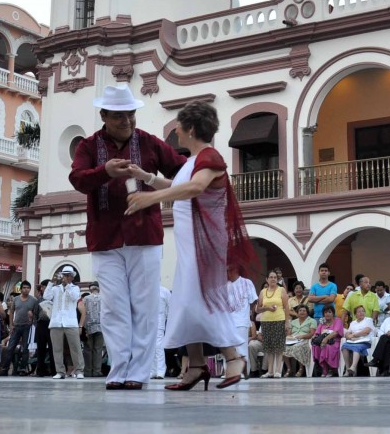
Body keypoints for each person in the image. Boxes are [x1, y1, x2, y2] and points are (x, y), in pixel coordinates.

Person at [125, 100, 257, 391]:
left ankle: (233, 357)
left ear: (192, 129)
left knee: (202, 299)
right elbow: (179, 184)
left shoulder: (210, 157)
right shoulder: (194, 162)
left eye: (180, 130)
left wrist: (149, 199)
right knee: (186, 301)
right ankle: (196, 365)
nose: (178, 135)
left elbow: (195, 188)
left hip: (204, 243)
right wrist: (146, 178)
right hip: (189, 242)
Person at [70, 83, 188, 391]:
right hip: (105, 238)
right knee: (113, 306)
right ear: (104, 115)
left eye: (131, 115)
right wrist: (105, 171)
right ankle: (118, 370)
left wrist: (154, 180)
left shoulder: (149, 143)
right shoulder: (88, 146)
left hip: (145, 236)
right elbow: (78, 180)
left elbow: (182, 167)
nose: (127, 121)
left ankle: (139, 372)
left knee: (146, 306)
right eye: (120, 116)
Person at [46, 267, 85, 379]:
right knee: (57, 348)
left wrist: (67, 285)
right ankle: (60, 371)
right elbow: (46, 297)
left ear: (72, 276)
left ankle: (79, 371)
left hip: (70, 322)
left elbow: (74, 297)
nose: (66, 277)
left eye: (68, 275)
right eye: (64, 275)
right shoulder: (55, 288)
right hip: (56, 322)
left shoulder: (75, 288)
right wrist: (51, 283)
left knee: (75, 348)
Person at [255, 271, 290, 378]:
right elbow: (257, 309)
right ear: (267, 279)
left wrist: (287, 322)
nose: (273, 279)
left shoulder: (281, 290)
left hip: (279, 320)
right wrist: (267, 308)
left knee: (279, 347)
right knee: (269, 347)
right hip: (266, 321)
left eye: (275, 277)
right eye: (271, 277)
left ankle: (278, 370)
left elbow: (286, 306)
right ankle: (270, 371)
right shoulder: (263, 292)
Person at [227, 267, 259, 378]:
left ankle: (242, 371)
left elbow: (253, 301)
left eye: (229, 270)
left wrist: (250, 318)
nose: (228, 273)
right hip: (228, 322)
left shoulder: (247, 283)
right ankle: (230, 371)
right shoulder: (226, 285)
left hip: (241, 321)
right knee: (230, 348)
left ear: (235, 270)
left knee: (241, 347)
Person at [4, 281, 39, 376]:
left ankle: (23, 368)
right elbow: (11, 312)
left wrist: (32, 316)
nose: (26, 289)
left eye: (28, 288)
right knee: (10, 347)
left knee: (25, 348)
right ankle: (4, 368)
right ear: (20, 289)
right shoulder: (15, 299)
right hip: (16, 326)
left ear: (30, 289)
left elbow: (36, 315)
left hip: (28, 327)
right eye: (24, 287)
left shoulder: (34, 300)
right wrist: (11, 325)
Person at [283, 304, 317, 376]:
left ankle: (301, 368)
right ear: (297, 312)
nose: (302, 312)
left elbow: (312, 334)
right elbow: (289, 333)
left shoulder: (312, 321)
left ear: (307, 312)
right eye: (300, 311)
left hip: (306, 340)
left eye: (304, 311)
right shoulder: (293, 322)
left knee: (298, 347)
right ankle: (289, 369)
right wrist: (289, 336)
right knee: (283, 347)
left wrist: (302, 336)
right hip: (293, 339)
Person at [341, 305, 374, 376]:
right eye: (359, 312)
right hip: (354, 341)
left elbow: (366, 332)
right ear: (355, 314)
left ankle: (353, 367)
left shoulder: (368, 320)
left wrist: (353, 335)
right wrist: (350, 337)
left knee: (356, 347)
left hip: (365, 341)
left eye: (363, 311)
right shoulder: (353, 323)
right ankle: (347, 369)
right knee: (344, 347)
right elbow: (347, 333)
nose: (361, 313)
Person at [311, 306, 344, 377]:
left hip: (334, 341)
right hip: (323, 342)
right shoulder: (322, 321)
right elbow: (317, 333)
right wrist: (314, 337)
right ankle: (324, 368)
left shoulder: (338, 320)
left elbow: (336, 332)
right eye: (325, 312)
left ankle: (331, 369)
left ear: (333, 313)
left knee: (326, 347)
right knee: (316, 346)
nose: (327, 314)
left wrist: (326, 339)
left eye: (329, 312)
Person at [82, 282, 104, 377]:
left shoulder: (85, 299)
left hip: (88, 326)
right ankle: (97, 371)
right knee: (98, 350)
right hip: (101, 326)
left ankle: (87, 371)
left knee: (87, 349)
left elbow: (82, 312)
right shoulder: (104, 298)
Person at [152, 285, 170, 379]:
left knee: (158, 346)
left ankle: (160, 371)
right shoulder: (146, 290)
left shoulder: (164, 291)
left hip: (159, 321)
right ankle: (152, 371)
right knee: (150, 347)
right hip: (148, 321)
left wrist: (166, 318)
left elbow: (170, 305)